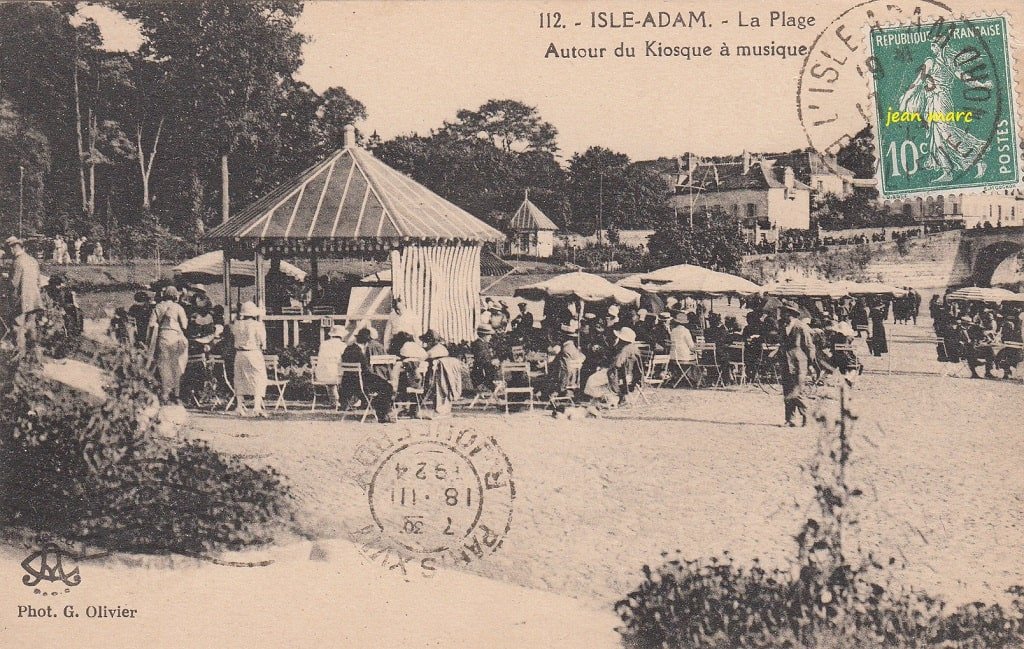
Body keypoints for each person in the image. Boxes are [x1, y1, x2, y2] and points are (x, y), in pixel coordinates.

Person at [341, 328, 396, 422]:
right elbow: (366, 371)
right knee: (386, 387)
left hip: (347, 384)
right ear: (366, 341)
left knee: (379, 387)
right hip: (360, 384)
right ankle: (383, 414)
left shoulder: (348, 349)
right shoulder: (359, 352)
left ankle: (383, 413)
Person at [147, 285, 189, 404]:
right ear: (175, 296)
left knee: (164, 365)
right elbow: (185, 325)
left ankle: (165, 393)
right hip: (176, 337)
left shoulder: (158, 307)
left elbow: (151, 324)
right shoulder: (178, 307)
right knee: (177, 364)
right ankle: (176, 394)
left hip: (163, 337)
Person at [6, 236, 44, 363]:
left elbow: (13, 284)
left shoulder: (17, 262)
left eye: (9, 249)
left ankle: (19, 357)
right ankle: (36, 357)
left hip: (21, 301)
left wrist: (5, 281)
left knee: (18, 327)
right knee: (31, 326)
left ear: (13, 248)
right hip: (34, 299)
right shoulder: (32, 260)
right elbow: (38, 281)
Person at [779, 300, 813, 427]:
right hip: (785, 362)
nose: (782, 315)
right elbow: (782, 343)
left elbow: (809, 346)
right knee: (787, 392)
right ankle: (790, 419)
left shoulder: (801, 327)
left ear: (791, 314)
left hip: (799, 364)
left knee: (797, 392)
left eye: (784, 312)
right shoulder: (782, 326)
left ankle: (806, 415)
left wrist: (811, 364)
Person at [232, 301, 268, 417]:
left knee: (239, 378)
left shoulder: (236, 324)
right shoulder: (257, 325)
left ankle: (239, 406)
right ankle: (256, 407)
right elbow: (263, 341)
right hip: (253, 352)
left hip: (239, 354)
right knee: (258, 377)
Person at [607, 327, 643, 406]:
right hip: (635, 375)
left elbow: (617, 364)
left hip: (625, 377)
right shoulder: (634, 348)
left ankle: (616, 396)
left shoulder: (624, 350)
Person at [316, 325, 349, 408]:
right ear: (341, 335)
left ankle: (334, 401)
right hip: (336, 376)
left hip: (321, 374)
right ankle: (341, 401)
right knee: (348, 375)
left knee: (330, 374)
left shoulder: (323, 344)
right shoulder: (343, 345)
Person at [470, 323, 499, 390]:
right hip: (481, 373)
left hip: (482, 371)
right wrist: (492, 362)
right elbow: (482, 360)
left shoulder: (482, 344)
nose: (490, 337)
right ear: (484, 335)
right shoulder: (479, 345)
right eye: (489, 335)